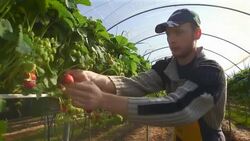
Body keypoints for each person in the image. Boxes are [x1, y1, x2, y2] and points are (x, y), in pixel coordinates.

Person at [62, 8, 226, 141]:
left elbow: (180, 109)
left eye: (178, 32)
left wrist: (102, 99)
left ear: (196, 34)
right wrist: (94, 78)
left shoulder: (211, 71)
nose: (171, 39)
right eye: (168, 34)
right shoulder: (166, 68)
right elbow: (135, 84)